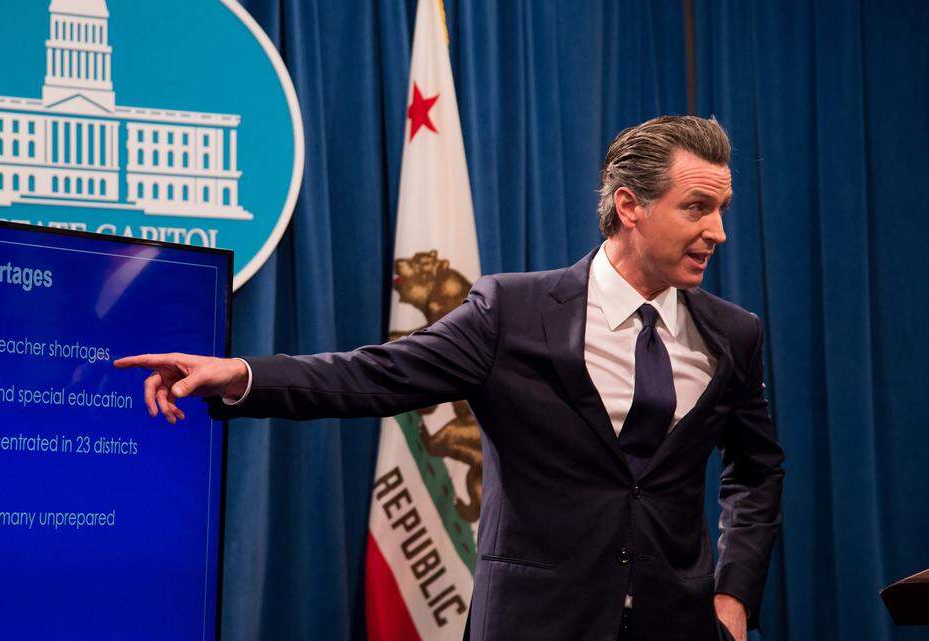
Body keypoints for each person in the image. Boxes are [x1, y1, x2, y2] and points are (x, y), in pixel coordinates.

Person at [115, 115, 784, 641]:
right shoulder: (512, 312)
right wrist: (241, 374)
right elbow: (376, 376)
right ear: (631, 205)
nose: (718, 231)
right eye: (697, 207)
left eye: (721, 209)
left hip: (680, 626)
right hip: (538, 623)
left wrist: (732, 595)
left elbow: (756, 472)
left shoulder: (734, 333)